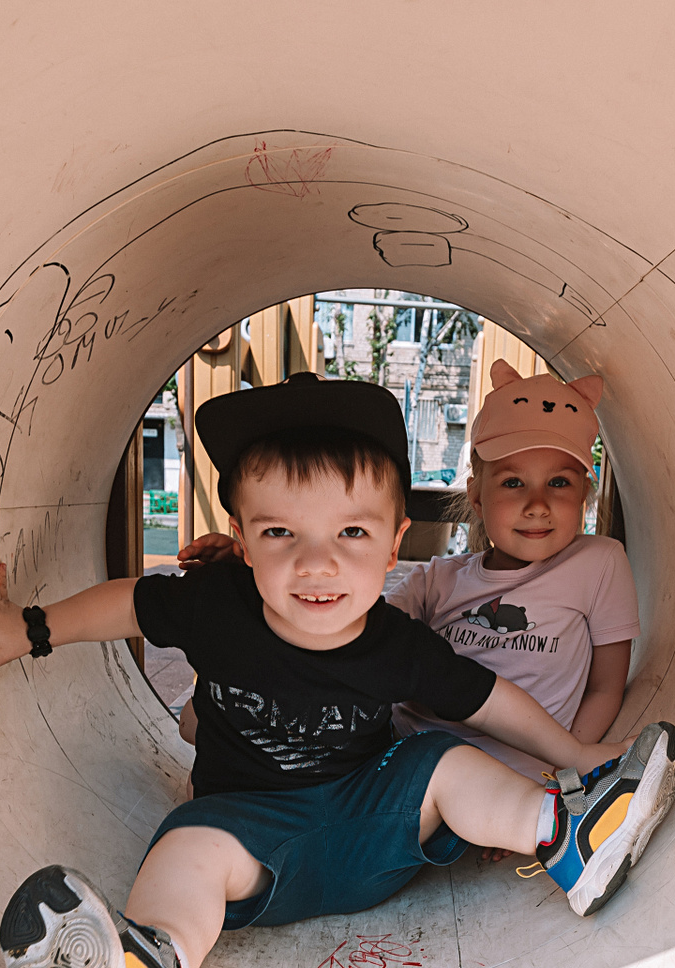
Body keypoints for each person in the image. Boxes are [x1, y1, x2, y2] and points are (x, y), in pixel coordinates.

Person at [0, 372, 675, 968]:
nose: (317, 563)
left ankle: (565, 836)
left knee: (442, 760)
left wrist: (576, 756)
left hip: (373, 828)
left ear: (395, 542)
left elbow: (490, 700)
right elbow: (131, 605)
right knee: (185, 842)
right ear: (241, 539)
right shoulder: (216, 604)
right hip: (252, 842)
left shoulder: (396, 643)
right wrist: (30, 629)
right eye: (280, 533)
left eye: (352, 533)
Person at [184, 359, 639, 859]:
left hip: (512, 771)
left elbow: (605, 687)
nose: (537, 504)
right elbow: (337, 627)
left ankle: (529, 820)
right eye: (513, 483)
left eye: (560, 483)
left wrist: (557, 775)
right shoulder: (439, 578)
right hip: (392, 760)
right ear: (477, 496)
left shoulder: (598, 562)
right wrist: (253, 571)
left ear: (586, 493)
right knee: (198, 717)